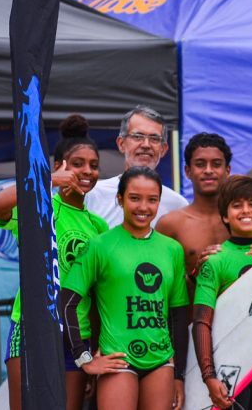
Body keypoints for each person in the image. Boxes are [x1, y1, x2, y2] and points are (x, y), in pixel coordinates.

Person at [0, 114, 108, 410]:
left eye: (93, 165)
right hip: (31, 327)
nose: (87, 171)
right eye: (78, 164)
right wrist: (46, 181)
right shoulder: (38, 207)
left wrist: (92, 351)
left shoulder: (99, 227)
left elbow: (95, 295)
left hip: (78, 336)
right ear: (59, 167)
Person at [61, 167, 190, 410]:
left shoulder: (172, 249)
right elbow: (66, 302)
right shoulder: (99, 246)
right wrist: (83, 358)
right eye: (134, 198)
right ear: (120, 199)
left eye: (152, 200)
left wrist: (178, 375)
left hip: (161, 362)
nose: (143, 207)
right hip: (118, 361)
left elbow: (178, 315)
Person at [193, 175, 252, 410]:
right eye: (237, 205)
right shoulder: (216, 260)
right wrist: (208, 375)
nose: (246, 210)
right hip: (229, 364)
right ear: (225, 215)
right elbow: (202, 321)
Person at [155, 133, 232, 315]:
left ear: (227, 170)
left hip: (238, 329)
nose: (208, 170)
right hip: (190, 328)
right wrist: (194, 274)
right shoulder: (171, 224)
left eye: (216, 164)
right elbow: (158, 287)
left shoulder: (243, 221)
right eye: (200, 164)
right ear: (188, 171)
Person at [85, 105, 187, 228]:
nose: (146, 145)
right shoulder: (93, 195)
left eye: (154, 138)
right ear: (121, 144)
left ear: (163, 149)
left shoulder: (177, 205)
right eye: (138, 136)